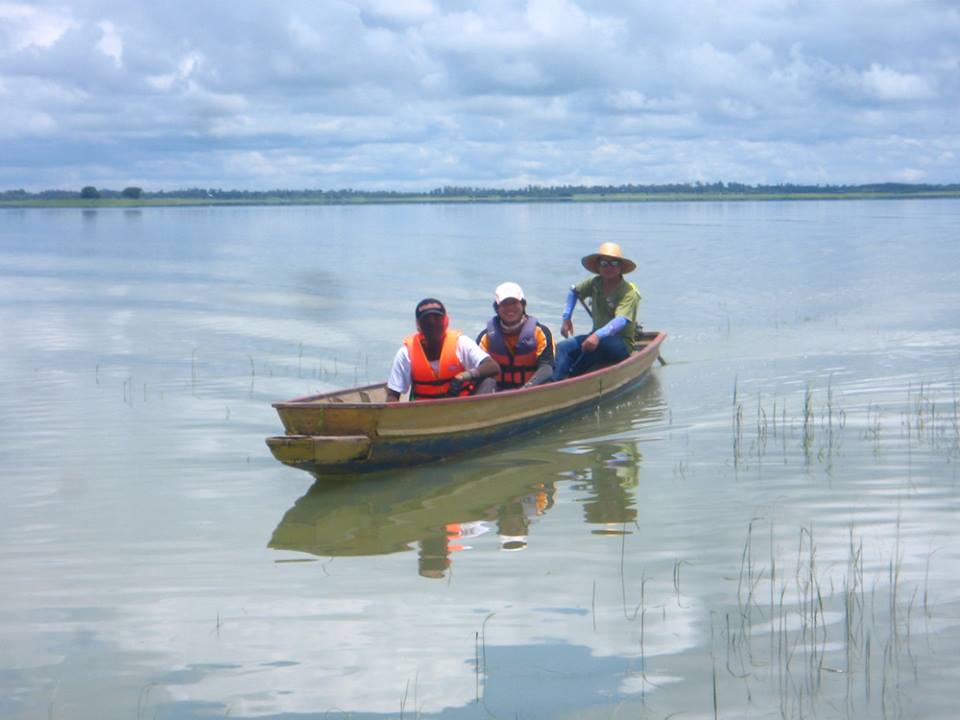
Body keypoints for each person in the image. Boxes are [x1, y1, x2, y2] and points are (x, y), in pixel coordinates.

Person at [551, 242, 641, 381]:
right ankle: (555, 381)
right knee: (562, 348)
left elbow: (620, 321)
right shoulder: (595, 283)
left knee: (599, 344)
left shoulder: (628, 292)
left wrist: (597, 336)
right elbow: (574, 292)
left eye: (614, 263)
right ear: (598, 267)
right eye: (604, 263)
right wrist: (566, 319)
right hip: (596, 337)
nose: (609, 267)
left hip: (621, 343)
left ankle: (572, 378)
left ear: (621, 267)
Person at [386, 298, 499, 402]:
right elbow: (393, 394)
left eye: (437, 319)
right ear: (418, 325)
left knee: (489, 380)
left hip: (463, 406)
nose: (433, 325)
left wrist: (462, 376)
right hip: (426, 411)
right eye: (427, 321)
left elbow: (492, 366)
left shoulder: (461, 343)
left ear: (446, 322)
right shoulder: (406, 354)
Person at [475, 282, 555, 390]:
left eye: (514, 303)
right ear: (497, 308)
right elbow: (478, 369)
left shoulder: (541, 333)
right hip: (497, 392)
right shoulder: (486, 337)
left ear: (523, 305)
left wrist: (525, 389)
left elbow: (546, 369)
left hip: (532, 390)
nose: (510, 308)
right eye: (504, 304)